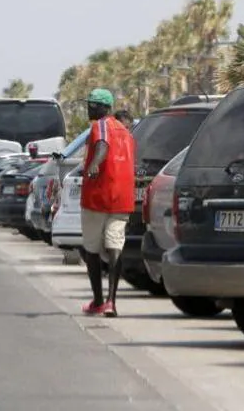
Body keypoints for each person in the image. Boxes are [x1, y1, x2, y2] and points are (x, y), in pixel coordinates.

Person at [80, 88, 135, 317]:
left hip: (97, 197)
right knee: (115, 246)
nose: (89, 108)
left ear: (104, 107)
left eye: (93, 104)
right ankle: (112, 302)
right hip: (122, 199)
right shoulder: (125, 131)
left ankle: (98, 300)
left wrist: (94, 164)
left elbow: (102, 145)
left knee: (91, 249)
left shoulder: (101, 125)